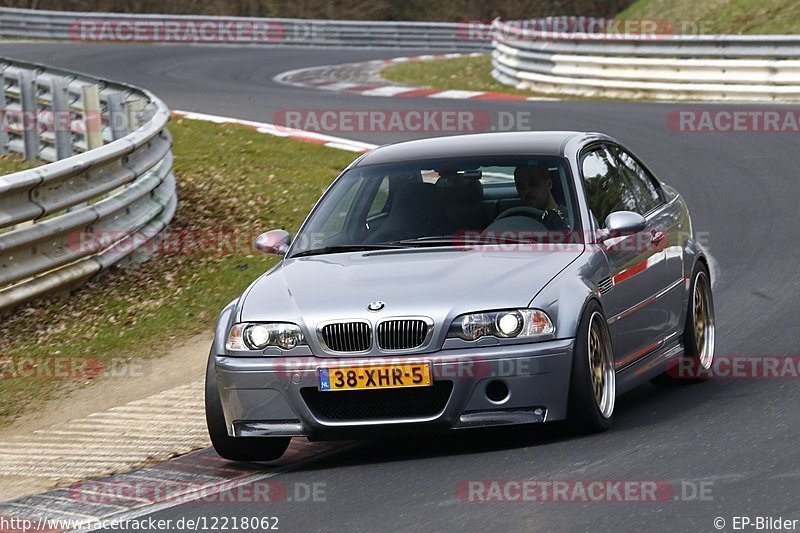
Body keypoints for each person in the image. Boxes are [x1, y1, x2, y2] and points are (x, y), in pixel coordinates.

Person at [513, 165, 569, 230]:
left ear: (549, 184)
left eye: (534, 184)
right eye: (521, 187)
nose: (526, 191)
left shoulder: (568, 220)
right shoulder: (516, 219)